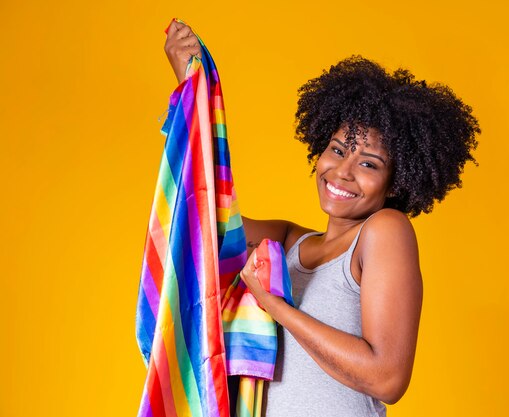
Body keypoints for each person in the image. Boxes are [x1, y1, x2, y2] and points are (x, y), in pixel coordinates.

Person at [164, 21, 479, 417]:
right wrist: (190, 85)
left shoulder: (384, 231)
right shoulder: (289, 241)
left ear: (396, 183)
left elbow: (387, 378)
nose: (342, 172)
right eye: (336, 149)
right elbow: (204, 215)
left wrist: (278, 308)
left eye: (368, 163)